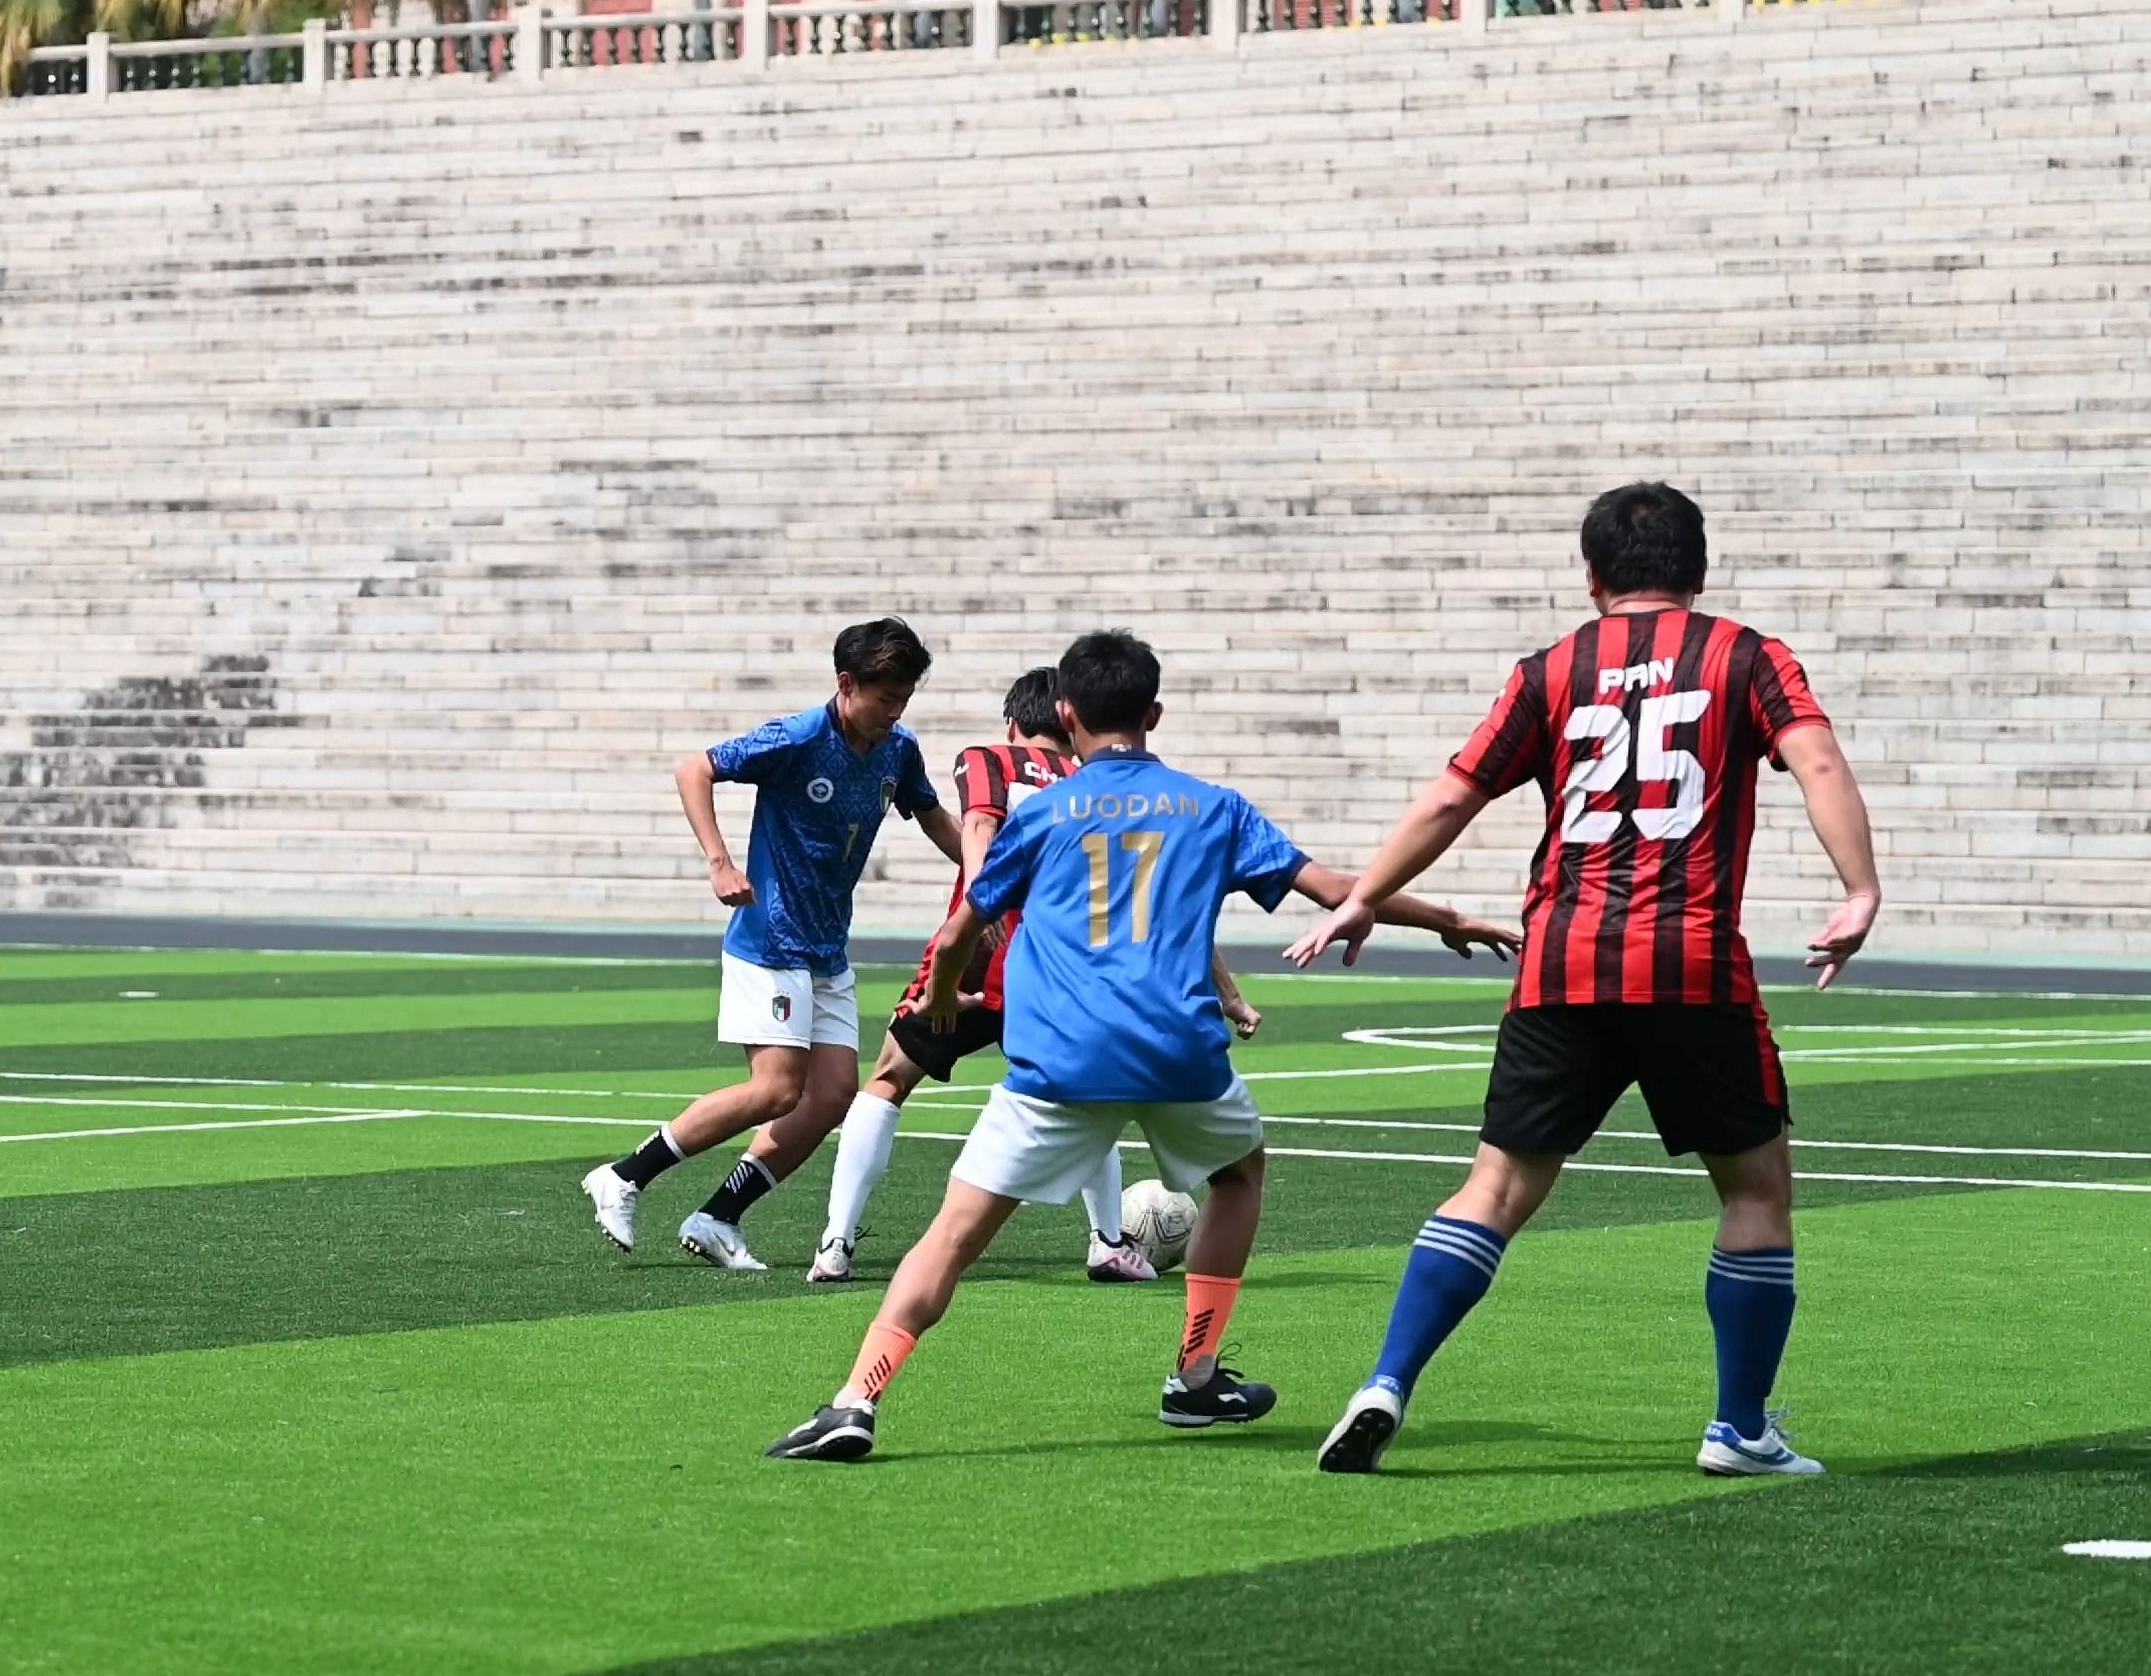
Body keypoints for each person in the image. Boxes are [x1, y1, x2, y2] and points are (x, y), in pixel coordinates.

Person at [767, 630, 1516, 1463]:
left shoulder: (1043, 811)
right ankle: (1195, 1377)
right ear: (1154, 713)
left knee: (951, 1235)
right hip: (1179, 1058)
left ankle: (855, 1401)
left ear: (1064, 714)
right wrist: (1450, 919)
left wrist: (944, 1002)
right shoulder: (1211, 805)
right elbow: (1341, 892)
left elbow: (954, 939)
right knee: (1239, 1176)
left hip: (1059, 1063)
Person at [1291, 482, 1881, 1481]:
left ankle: (1387, 1381)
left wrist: (1366, 894)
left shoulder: (1552, 668)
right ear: (1697, 571)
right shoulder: (1747, 654)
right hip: (1690, 968)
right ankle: (1739, 1430)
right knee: (1754, 1190)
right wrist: (1859, 889)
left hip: (1560, 964)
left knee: (1497, 1187)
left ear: (1594, 574)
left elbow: (1451, 795)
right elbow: (1816, 762)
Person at [808, 666, 1211, 1286]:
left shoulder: (988, 758)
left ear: (1014, 723)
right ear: (1071, 723)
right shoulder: (1093, 784)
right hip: (1062, 969)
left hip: (980, 951)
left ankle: (836, 1244)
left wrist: (981, 901)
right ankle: (1107, 1242)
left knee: (888, 1080)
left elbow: (979, 825)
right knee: (1088, 1097)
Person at [583, 619, 962, 1273]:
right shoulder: (797, 738)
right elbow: (693, 768)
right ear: (847, 685)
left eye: (903, 700)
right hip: (770, 940)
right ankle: (623, 1176)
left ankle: (718, 1216)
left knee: (835, 1093)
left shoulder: (898, 751)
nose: (895, 712)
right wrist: (718, 862)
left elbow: (933, 817)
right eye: (885, 699)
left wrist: (995, 880)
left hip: (825, 948)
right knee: (776, 1091)